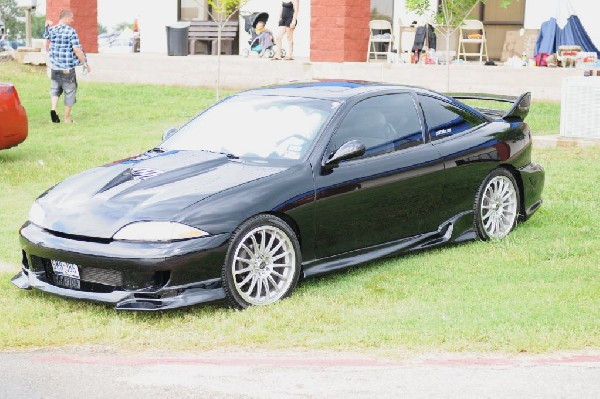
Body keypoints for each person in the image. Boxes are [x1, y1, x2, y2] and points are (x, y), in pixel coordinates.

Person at [44, 9, 90, 123]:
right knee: (70, 92)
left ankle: (53, 109)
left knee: (55, 89)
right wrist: (84, 62)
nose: (72, 20)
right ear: (66, 17)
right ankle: (67, 118)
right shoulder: (71, 31)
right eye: (71, 18)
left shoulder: (52, 30)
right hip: (67, 69)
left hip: (54, 67)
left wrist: (47, 26)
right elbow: (77, 49)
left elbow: (46, 38)